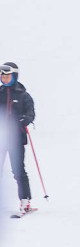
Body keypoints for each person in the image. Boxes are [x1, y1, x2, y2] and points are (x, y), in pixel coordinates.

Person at [1, 63, 35, 217]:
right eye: (2, 76)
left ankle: (25, 201)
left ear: (14, 76)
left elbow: (30, 113)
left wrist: (24, 119)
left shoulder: (23, 95)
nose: (4, 78)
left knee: (18, 170)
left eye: (7, 76)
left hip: (15, 138)